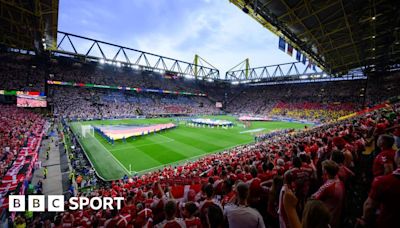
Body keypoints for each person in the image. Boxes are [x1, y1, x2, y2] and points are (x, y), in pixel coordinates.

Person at [358, 149, 400, 228]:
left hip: (387, 222)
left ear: (398, 159)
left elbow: (369, 206)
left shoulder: (384, 182)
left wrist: (364, 219)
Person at [311, 160, 344, 228]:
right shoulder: (340, 182)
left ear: (325, 171)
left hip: (326, 220)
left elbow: (312, 200)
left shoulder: (327, 187)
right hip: (336, 217)